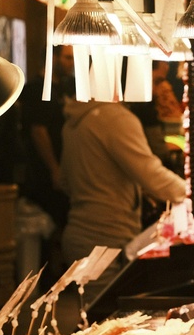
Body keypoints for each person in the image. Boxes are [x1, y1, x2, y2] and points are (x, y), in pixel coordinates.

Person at [58, 79, 186, 298]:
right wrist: (193, 194)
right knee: (107, 314)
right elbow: (151, 175)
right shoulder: (115, 118)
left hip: (80, 234)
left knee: (93, 313)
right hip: (106, 239)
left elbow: (65, 181)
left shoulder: (74, 120)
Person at [20, 46, 74, 230]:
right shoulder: (36, 89)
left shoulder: (66, 86)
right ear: (53, 58)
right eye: (67, 58)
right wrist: (54, 169)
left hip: (64, 166)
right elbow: (38, 131)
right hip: (43, 172)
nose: (72, 63)